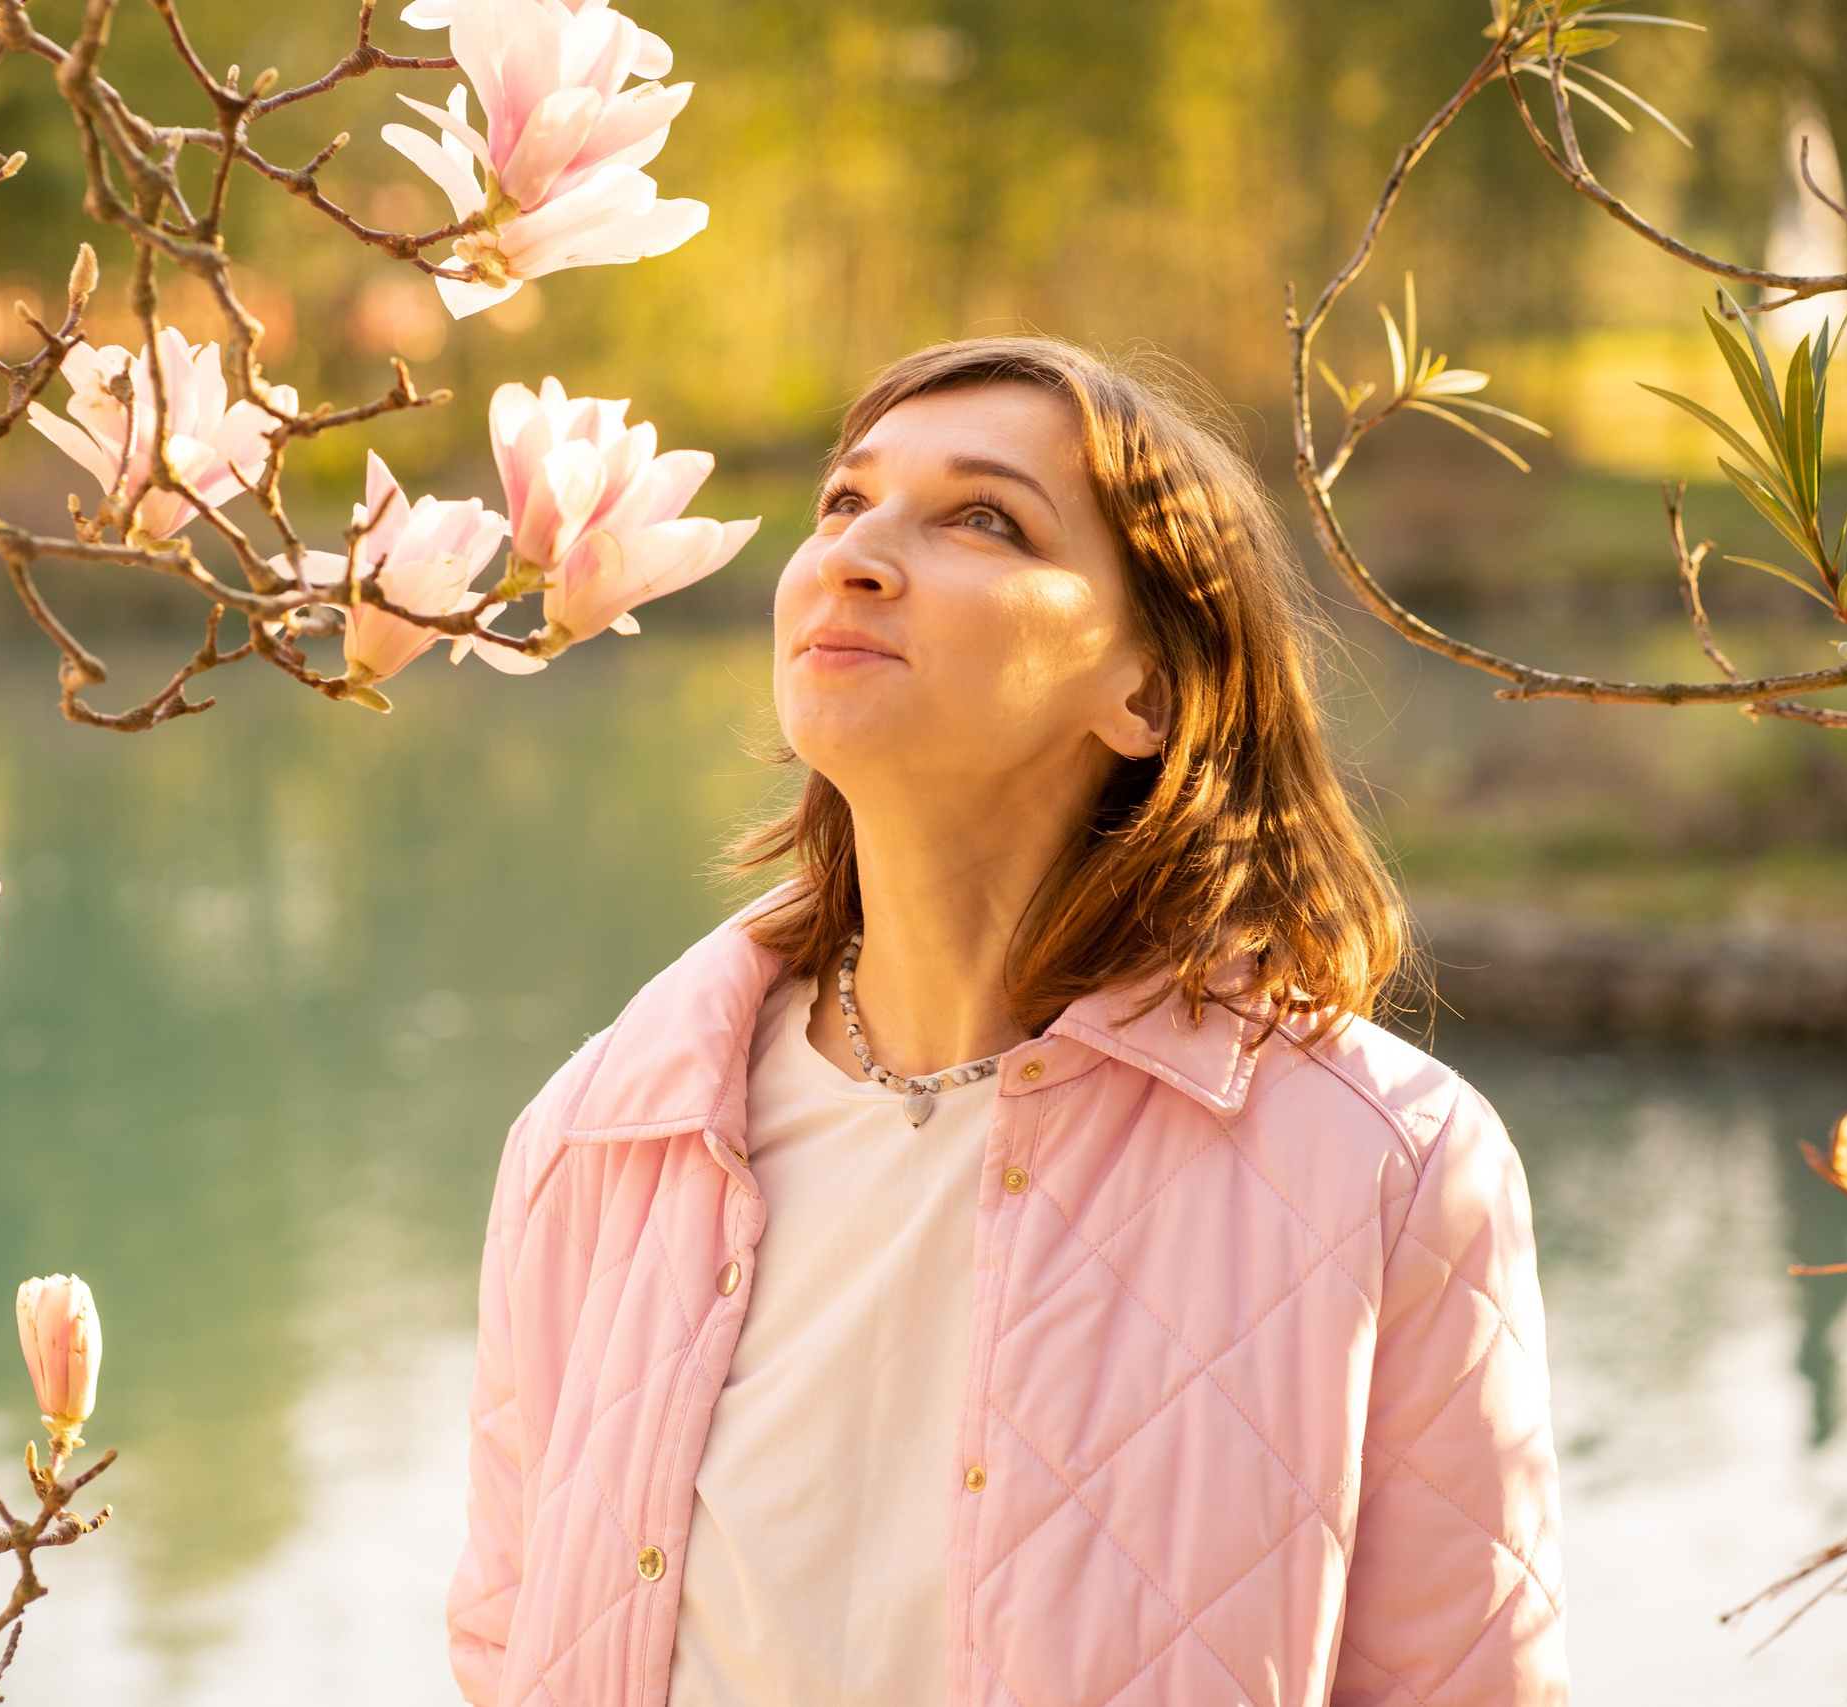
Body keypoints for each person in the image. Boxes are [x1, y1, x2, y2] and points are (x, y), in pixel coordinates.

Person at [445, 337, 1567, 1707]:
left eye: (985, 518)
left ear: (1144, 693)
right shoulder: (601, 1138)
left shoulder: (1388, 1165)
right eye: (844, 504)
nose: (853, 556)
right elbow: (509, 1652)